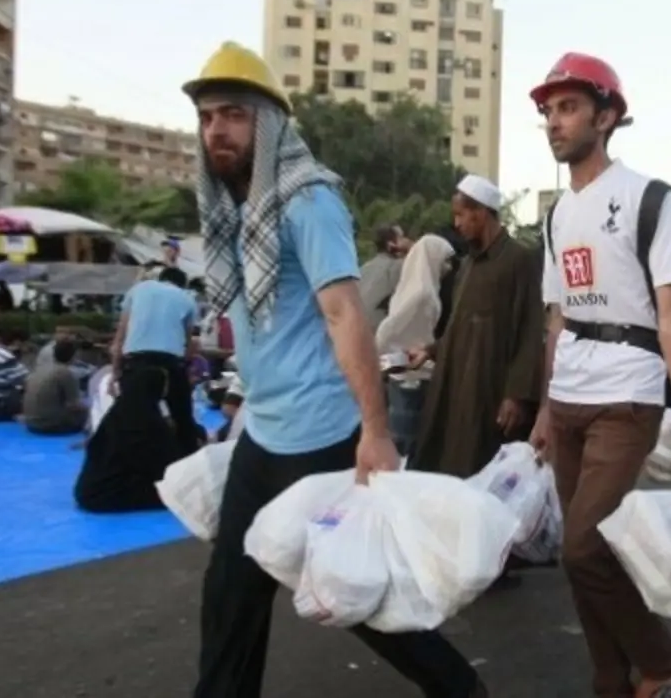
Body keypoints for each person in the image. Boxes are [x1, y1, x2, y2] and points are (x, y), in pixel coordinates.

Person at [183, 40, 486, 698]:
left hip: (322, 436)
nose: (218, 130)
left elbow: (345, 314)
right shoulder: (233, 214)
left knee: (364, 598)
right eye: (208, 117)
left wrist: (375, 431)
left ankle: (464, 692)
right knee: (230, 599)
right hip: (263, 436)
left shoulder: (307, 200)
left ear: (267, 123)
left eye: (233, 114)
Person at [528, 51, 671, 697]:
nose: (555, 122)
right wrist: (542, 411)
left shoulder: (649, 198)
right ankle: (610, 678)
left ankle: (663, 664)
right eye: (548, 111)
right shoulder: (555, 214)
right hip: (569, 393)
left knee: (584, 546)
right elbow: (557, 319)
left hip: (629, 390)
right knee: (583, 555)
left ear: (607, 116)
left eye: (569, 107)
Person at [411, 174, 544, 477]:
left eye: (460, 215)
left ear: (481, 212)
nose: (456, 224)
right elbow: (461, 325)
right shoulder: (467, 265)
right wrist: (431, 351)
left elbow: (530, 330)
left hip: (491, 393)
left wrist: (516, 395)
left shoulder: (518, 260)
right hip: (455, 385)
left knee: (483, 470)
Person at [376, 234, 456, 457]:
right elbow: (388, 329)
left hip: (402, 370)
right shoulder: (423, 293)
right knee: (408, 445)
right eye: (445, 260)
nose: (448, 266)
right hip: (413, 377)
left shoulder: (415, 286)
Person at [74, 360, 189, 513]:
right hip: (108, 494)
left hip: (88, 489)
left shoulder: (117, 413)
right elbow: (166, 464)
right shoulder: (148, 421)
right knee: (180, 493)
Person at [110, 266, 199, 454]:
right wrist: (187, 369)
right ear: (183, 284)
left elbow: (120, 335)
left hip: (136, 361)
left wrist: (115, 371)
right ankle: (187, 460)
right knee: (182, 417)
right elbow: (189, 342)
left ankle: (131, 462)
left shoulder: (137, 290)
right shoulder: (187, 298)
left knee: (132, 417)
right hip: (170, 362)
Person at [23, 339, 89, 435]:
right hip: (50, 424)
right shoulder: (65, 373)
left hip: (30, 422)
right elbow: (73, 405)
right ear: (74, 356)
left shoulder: (39, 369)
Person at [359, 223, 411, 331]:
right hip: (380, 331)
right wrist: (411, 247)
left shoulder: (363, 268)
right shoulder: (397, 266)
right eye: (401, 238)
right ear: (391, 245)